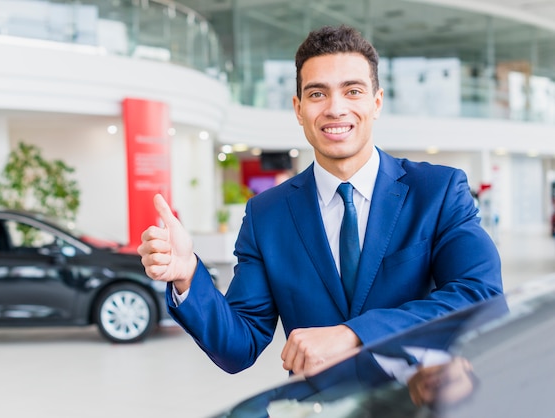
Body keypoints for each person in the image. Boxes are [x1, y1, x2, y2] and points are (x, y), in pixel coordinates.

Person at [137, 24, 503, 377]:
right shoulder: (268, 215)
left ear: (376, 102)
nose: (335, 108)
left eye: (353, 91)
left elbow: (481, 296)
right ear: (298, 109)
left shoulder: (437, 191)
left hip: (416, 404)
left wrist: (353, 335)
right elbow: (239, 345)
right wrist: (188, 276)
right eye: (317, 94)